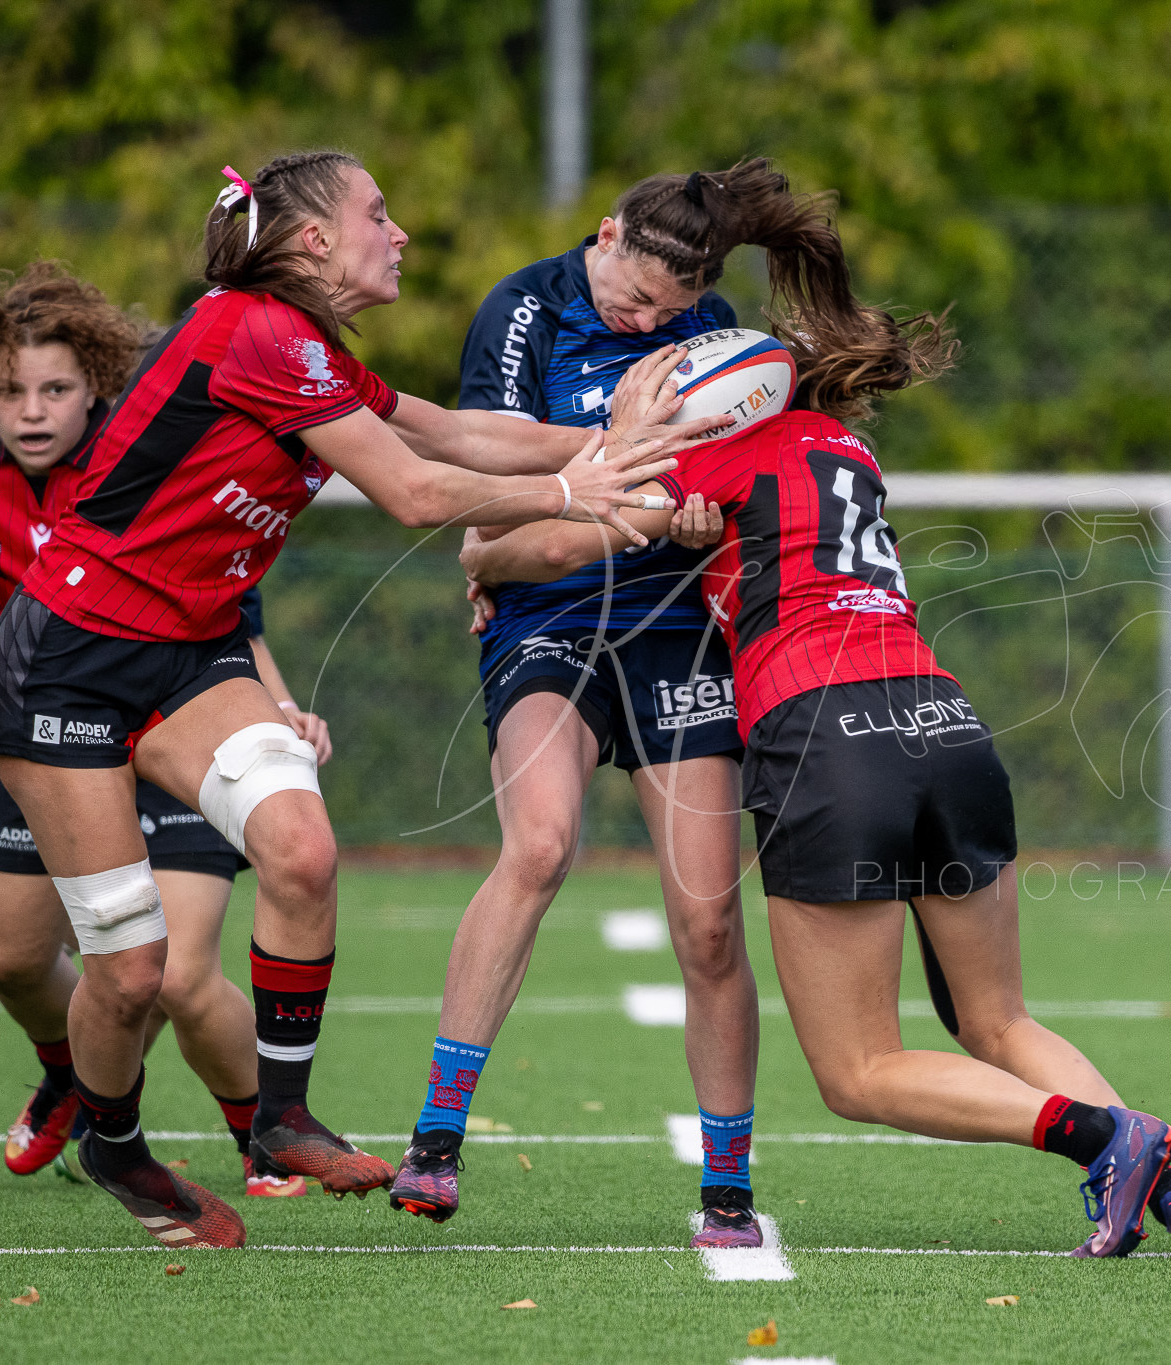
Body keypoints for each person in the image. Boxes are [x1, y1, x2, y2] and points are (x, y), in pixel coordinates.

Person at [454, 169, 1171, 1258]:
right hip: (944, 725)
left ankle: (1104, 1138)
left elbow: (540, 545)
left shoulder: (700, 449)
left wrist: (496, 548)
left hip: (827, 740)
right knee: (997, 1021)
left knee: (856, 1073)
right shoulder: (844, 449)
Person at [0, 151, 716, 1250]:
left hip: (191, 651)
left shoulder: (306, 347)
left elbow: (455, 435)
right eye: (378, 212)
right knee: (131, 975)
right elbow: (416, 491)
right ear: (312, 241)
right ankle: (116, 1144)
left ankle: (279, 1117)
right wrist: (573, 487)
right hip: (69, 657)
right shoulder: (256, 331)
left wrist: (635, 443)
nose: (400, 231)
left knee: (304, 852)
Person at [0, 262, 327, 1197]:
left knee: (170, 970)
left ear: (98, 388)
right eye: (10, 391)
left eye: (55, 389)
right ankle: (70, 1081)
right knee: (16, 951)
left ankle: (264, 1140)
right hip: (39, 740)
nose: (32, 410)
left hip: (162, 724)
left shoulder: (141, 458)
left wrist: (275, 706)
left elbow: (228, 608)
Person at [391, 161, 811, 1246]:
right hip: (548, 619)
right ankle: (435, 1141)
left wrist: (681, 521)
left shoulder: (715, 333)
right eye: (634, 300)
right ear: (606, 231)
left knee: (710, 920)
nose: (647, 322)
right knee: (538, 846)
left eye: (668, 313)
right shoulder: (523, 309)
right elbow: (487, 520)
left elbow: (712, 500)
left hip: (677, 630)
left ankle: (727, 1189)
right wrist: (613, 509)